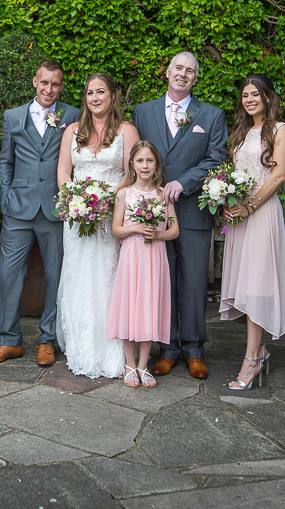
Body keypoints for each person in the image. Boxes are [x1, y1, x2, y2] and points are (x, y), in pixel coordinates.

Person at [132, 52, 227, 379]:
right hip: (154, 213)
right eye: (179, 68)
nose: (183, 74)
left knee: (195, 283)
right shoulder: (143, 112)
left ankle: (194, 349)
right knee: (161, 281)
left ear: (195, 78)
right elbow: (137, 155)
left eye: (190, 71)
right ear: (168, 72)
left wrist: (184, 182)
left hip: (192, 211)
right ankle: (167, 349)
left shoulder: (211, 115)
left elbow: (216, 158)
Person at [0, 61, 80, 367]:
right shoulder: (12, 117)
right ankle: (9, 341)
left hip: (55, 209)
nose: (49, 89)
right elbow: (6, 160)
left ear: (61, 86)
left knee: (55, 276)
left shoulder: (73, 116)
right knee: (10, 275)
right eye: (44, 82)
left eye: (55, 84)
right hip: (18, 209)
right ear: (35, 82)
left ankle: (47, 340)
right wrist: (7, 196)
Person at [55, 71, 138, 378]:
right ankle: (81, 346)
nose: (95, 98)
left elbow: (132, 174)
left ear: (112, 96)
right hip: (77, 219)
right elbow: (64, 171)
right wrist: (74, 201)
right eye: (90, 93)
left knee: (107, 279)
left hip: (110, 217)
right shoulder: (73, 131)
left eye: (101, 92)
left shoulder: (126, 131)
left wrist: (106, 201)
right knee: (78, 278)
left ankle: (112, 348)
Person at [219, 74, 285, 391]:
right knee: (245, 284)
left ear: (267, 97)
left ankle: (251, 360)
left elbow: (278, 176)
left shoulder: (280, 130)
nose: (249, 100)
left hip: (261, 214)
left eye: (255, 94)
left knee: (257, 286)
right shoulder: (239, 132)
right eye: (245, 95)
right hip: (240, 216)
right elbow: (233, 174)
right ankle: (259, 351)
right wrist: (226, 199)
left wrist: (250, 206)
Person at [108, 141, 178, 388]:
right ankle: (129, 364)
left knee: (149, 307)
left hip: (154, 256)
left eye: (150, 160)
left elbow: (174, 230)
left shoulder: (163, 194)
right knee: (130, 306)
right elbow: (116, 230)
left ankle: (143, 365)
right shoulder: (124, 193)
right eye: (140, 161)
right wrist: (136, 227)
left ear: (157, 164)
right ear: (132, 164)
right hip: (132, 256)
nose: (145, 165)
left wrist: (156, 234)